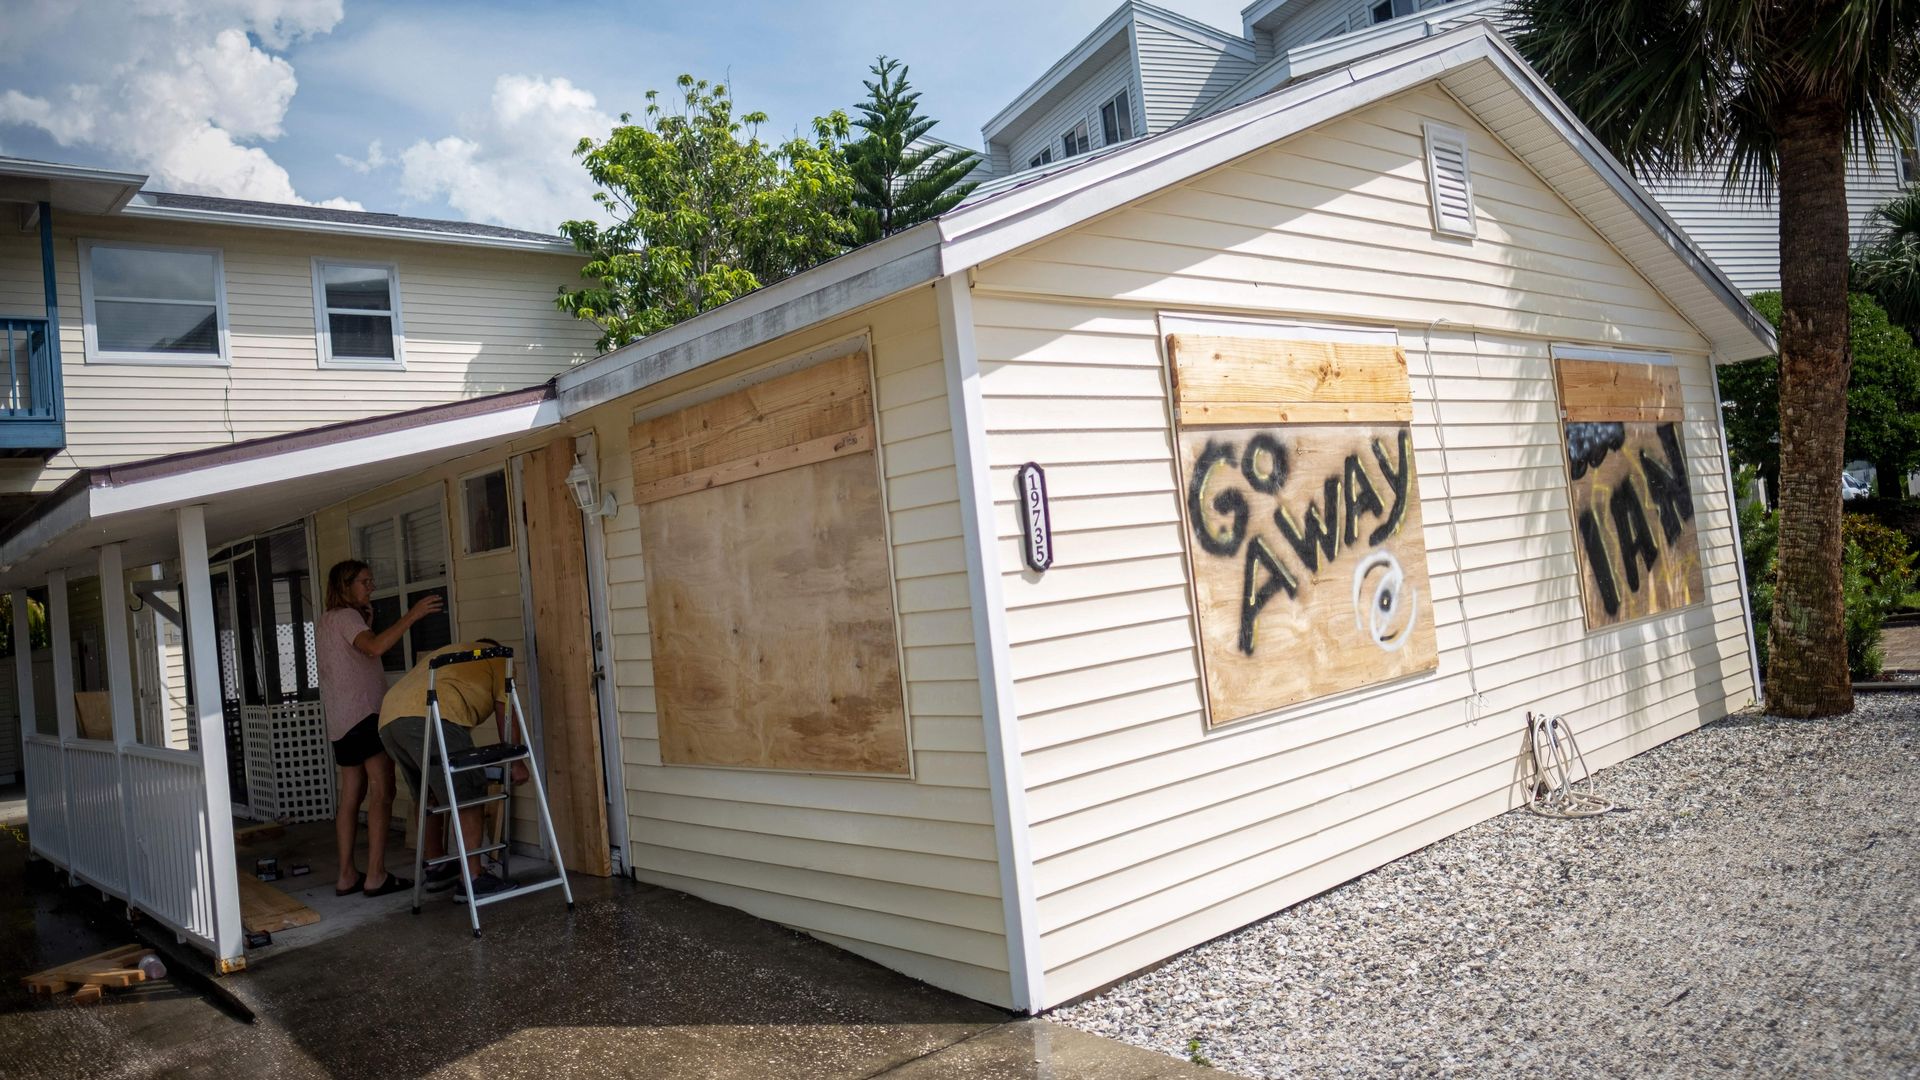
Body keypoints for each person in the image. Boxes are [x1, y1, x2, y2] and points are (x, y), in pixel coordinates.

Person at [317, 560, 442, 898]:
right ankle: (375, 875)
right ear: (345, 585)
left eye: (371, 580)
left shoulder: (328, 619)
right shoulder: (347, 617)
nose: (370, 587)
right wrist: (413, 615)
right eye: (364, 581)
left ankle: (346, 875)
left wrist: (368, 618)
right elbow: (373, 648)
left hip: (341, 720)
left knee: (351, 796)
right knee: (382, 791)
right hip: (365, 714)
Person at [378, 640, 529, 899]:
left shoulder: (453, 653)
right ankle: (473, 877)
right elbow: (506, 715)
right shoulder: (499, 659)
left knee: (427, 793)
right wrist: (516, 761)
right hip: (431, 713)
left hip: (390, 719)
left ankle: (437, 867)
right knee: (468, 790)